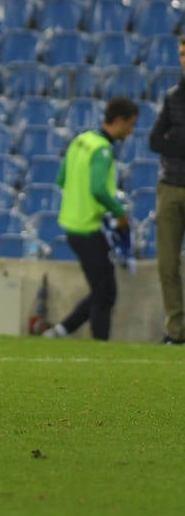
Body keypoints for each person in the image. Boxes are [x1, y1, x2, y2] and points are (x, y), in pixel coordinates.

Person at [42, 97, 139, 342]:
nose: (132, 130)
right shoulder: (102, 150)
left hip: (71, 224)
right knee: (105, 293)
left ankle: (59, 332)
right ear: (119, 121)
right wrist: (119, 212)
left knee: (102, 290)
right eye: (131, 124)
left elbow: (61, 179)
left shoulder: (80, 140)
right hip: (88, 227)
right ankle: (99, 347)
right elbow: (98, 188)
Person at [149, 38, 185, 346]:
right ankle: (177, 330)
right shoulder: (173, 97)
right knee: (167, 264)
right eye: (183, 54)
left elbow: (164, 140)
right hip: (171, 187)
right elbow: (154, 141)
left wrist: (174, 142)